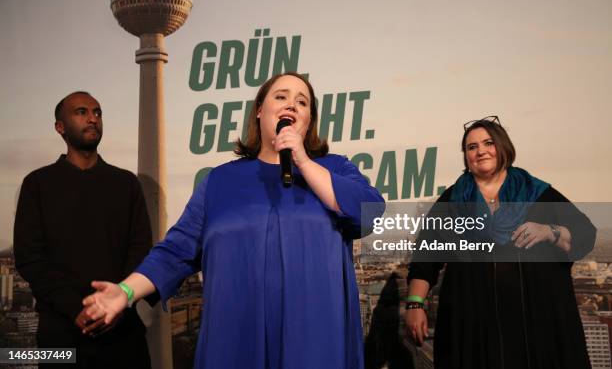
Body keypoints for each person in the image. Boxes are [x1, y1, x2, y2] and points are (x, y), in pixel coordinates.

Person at [82, 72, 385, 369]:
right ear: (259, 112)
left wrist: (303, 162)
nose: (291, 105)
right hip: (235, 339)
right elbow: (176, 250)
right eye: (281, 97)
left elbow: (368, 210)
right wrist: (125, 292)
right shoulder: (220, 181)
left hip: (316, 342)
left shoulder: (334, 169)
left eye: (302, 102)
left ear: (308, 121)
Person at [404, 116, 596, 369]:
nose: (481, 151)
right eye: (472, 147)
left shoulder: (538, 192)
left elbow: (585, 234)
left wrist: (551, 231)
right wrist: (414, 304)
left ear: (502, 147)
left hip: (537, 320)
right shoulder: (452, 199)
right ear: (466, 156)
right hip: (472, 320)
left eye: (488, 143)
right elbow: (425, 257)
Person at [13, 91, 153, 368]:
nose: (92, 118)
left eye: (97, 112)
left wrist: (117, 303)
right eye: (81, 112)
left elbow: (141, 250)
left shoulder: (126, 184)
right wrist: (76, 309)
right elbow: (30, 258)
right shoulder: (37, 184)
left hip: (124, 335)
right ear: (60, 127)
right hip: (61, 339)